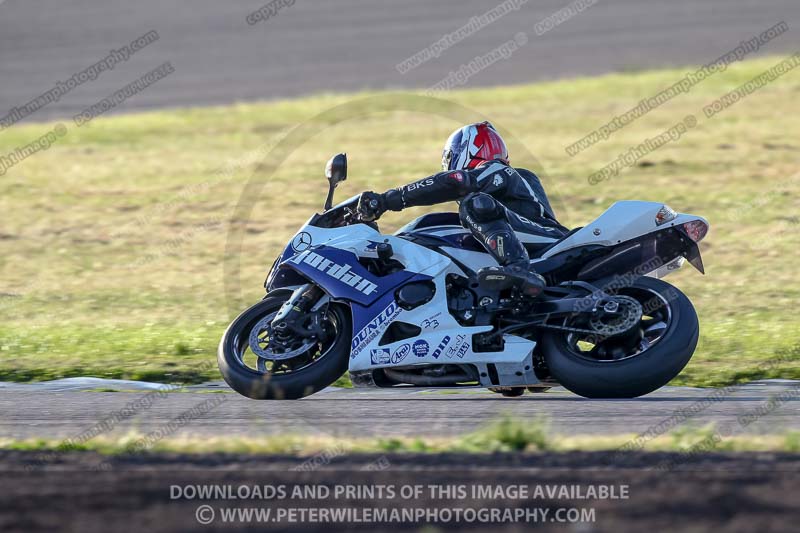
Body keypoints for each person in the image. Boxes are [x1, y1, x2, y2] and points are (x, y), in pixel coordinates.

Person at [357, 121, 569, 296]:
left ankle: (517, 268)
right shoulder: (510, 185)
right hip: (538, 242)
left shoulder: (500, 170)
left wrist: (387, 200)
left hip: (550, 240)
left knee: (475, 205)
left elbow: (458, 181)